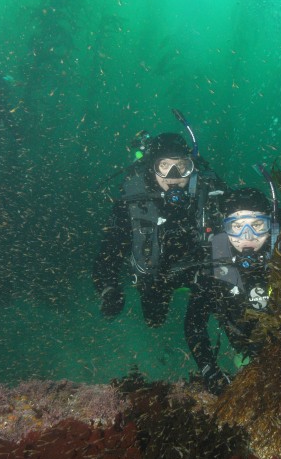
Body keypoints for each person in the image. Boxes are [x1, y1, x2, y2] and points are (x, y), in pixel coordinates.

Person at [92, 129, 226, 328]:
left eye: (181, 166)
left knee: (215, 314)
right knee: (154, 321)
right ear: (151, 167)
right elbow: (109, 251)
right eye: (164, 165)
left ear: (191, 167)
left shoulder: (209, 194)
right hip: (154, 278)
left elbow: (243, 217)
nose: (173, 176)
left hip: (200, 272)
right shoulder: (131, 203)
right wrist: (108, 289)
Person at [184, 186, 278, 394]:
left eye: (257, 225)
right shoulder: (213, 263)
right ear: (224, 229)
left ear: (271, 225)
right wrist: (210, 371)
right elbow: (194, 323)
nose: (248, 236)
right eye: (236, 226)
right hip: (242, 343)